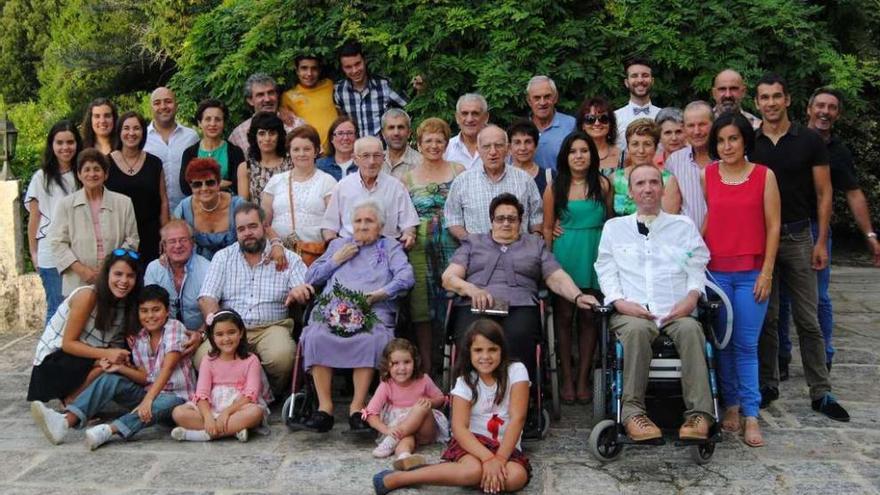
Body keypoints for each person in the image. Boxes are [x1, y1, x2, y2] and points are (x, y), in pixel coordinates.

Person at [751, 74, 849, 421]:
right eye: (764, 97)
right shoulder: (751, 142)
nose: (771, 103)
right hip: (762, 240)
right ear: (757, 103)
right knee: (767, 317)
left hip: (798, 236)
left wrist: (820, 240)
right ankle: (767, 385)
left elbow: (824, 193)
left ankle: (821, 391)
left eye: (776, 96)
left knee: (808, 318)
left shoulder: (809, 140)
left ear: (788, 100)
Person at [595, 163, 714, 442]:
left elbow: (697, 265)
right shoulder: (615, 228)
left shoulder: (683, 226)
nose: (647, 189)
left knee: (692, 330)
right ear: (630, 192)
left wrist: (692, 297)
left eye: (653, 182)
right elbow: (606, 269)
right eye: (640, 184)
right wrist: (619, 302)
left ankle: (700, 414)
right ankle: (632, 413)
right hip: (632, 311)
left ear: (662, 189)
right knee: (637, 331)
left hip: (676, 309)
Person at [442, 193, 598, 387]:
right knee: (473, 338)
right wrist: (471, 289)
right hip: (475, 305)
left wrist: (577, 296)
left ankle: (517, 394)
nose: (506, 223)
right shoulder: (473, 243)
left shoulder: (535, 245)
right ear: (491, 221)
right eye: (500, 218)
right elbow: (449, 278)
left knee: (518, 337)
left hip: (520, 306)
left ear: (520, 221)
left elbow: (556, 276)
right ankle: (470, 392)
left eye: (512, 219)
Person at [777, 87, 880, 377]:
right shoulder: (788, 140)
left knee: (818, 297)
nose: (825, 112)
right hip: (780, 228)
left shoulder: (838, 151)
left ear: (838, 114)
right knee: (780, 299)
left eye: (831, 107)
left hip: (815, 230)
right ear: (808, 109)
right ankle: (781, 357)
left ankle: (823, 356)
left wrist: (870, 235)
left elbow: (853, 192)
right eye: (820, 105)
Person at [295, 200, 415, 433]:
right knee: (316, 335)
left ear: (380, 226)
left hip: (373, 310)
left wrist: (381, 294)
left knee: (372, 339)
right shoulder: (338, 245)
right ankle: (324, 408)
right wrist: (335, 260)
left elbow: (406, 277)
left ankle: (357, 408)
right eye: (358, 221)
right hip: (332, 311)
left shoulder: (390, 247)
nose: (362, 225)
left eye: (369, 221)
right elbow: (310, 278)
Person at [372, 320, 531, 495]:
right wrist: (487, 459)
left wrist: (499, 459)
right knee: (472, 470)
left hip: (505, 446)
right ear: (469, 353)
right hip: (473, 443)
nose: (485, 356)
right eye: (478, 350)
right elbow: (459, 428)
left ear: (502, 350)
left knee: (516, 477)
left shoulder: (516, 371)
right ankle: (401, 478)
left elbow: (518, 418)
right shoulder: (465, 381)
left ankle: (460, 475)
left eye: (492, 349)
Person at [29, 285, 196, 449]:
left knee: (163, 401)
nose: (150, 316)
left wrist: (148, 400)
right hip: (149, 397)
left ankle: (109, 430)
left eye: (156, 310)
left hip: (178, 399)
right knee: (110, 379)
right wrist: (119, 368)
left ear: (167, 311)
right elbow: (145, 377)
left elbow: (167, 368)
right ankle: (65, 421)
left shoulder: (174, 328)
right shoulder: (140, 338)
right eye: (144, 311)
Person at [702, 112, 780, 447]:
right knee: (722, 345)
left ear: (745, 140)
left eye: (733, 138)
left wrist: (767, 272)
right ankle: (730, 405)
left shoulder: (764, 175)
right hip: (716, 273)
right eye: (721, 140)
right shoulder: (708, 174)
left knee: (746, 345)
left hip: (752, 273)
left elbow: (773, 226)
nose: (727, 146)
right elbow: (712, 217)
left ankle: (751, 414)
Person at [196, 202, 312, 395]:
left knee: (282, 357)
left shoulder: (288, 258)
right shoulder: (223, 257)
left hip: (271, 327)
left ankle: (267, 395)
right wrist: (216, 323)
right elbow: (207, 297)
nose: (247, 233)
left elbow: (304, 290)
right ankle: (232, 395)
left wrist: (299, 292)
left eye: (252, 226)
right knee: (202, 358)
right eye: (241, 229)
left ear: (264, 227)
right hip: (230, 327)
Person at [542, 132, 612, 404]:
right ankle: (567, 379)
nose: (579, 156)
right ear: (565, 156)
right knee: (563, 318)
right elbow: (548, 227)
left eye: (584, 150)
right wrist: (548, 267)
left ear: (592, 155)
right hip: (565, 255)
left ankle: (584, 378)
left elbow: (610, 222)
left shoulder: (603, 185)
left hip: (594, 253)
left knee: (589, 318)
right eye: (573, 151)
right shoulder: (554, 187)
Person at [27, 250, 141, 405]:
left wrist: (119, 357)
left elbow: (115, 345)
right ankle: (71, 401)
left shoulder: (126, 304)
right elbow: (68, 344)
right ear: (107, 274)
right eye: (118, 274)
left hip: (86, 359)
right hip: (54, 362)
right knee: (108, 363)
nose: (124, 281)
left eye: (130, 276)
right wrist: (107, 354)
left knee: (115, 365)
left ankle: (77, 400)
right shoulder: (88, 296)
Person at [399, 117, 465, 373]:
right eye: (428, 141)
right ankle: (426, 367)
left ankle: (455, 365)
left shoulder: (459, 171)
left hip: (454, 245)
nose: (434, 145)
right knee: (422, 309)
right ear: (419, 144)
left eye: (439, 140)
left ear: (447, 144)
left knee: (454, 301)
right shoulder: (407, 178)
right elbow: (404, 217)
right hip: (419, 249)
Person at [48, 148, 139, 296]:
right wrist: (82, 270)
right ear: (79, 174)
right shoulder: (66, 205)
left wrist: (110, 266)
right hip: (78, 280)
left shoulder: (124, 203)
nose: (92, 174)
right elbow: (57, 242)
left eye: (97, 169)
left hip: (116, 281)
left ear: (105, 174)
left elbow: (132, 240)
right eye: (87, 170)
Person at [171, 309, 269, 442]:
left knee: (255, 413)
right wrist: (207, 417)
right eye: (219, 334)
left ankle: (201, 435)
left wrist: (227, 413)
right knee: (178, 413)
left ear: (240, 332)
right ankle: (232, 430)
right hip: (212, 407)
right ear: (212, 337)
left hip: (238, 407)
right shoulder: (208, 360)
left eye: (231, 332)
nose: (226, 339)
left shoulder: (251, 360)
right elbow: (202, 394)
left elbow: (250, 395)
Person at [444, 126, 544, 239]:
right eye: (486, 146)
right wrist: (471, 242)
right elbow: (453, 218)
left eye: (498, 145)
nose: (493, 152)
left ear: (507, 149)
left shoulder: (525, 180)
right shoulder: (462, 182)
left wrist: (534, 239)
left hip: (518, 248)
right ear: (478, 150)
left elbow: (537, 216)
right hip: (477, 249)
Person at [363, 339, 449, 470]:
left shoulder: (423, 379)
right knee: (406, 440)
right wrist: (386, 430)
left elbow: (441, 398)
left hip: (425, 430)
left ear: (415, 362)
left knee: (421, 407)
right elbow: (370, 413)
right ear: (387, 365)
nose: (402, 368)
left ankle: (392, 440)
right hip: (400, 432)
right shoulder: (386, 385)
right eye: (395, 363)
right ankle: (404, 457)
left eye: (407, 362)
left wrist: (430, 402)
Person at [26, 121, 82, 322]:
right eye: (59, 142)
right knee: (56, 310)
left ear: (77, 143)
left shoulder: (84, 173)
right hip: (50, 253)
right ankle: (49, 345)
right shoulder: (41, 178)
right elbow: (34, 218)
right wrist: (34, 253)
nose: (65, 147)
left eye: (70, 142)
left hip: (80, 251)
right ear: (51, 145)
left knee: (79, 309)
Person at [321, 136, 419, 246]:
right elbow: (329, 227)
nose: (372, 162)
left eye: (377, 156)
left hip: (387, 249)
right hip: (350, 248)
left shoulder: (396, 187)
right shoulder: (342, 187)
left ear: (383, 158)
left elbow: (409, 225)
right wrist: (336, 246)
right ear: (355, 159)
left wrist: (408, 236)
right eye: (366, 156)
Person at [262, 125, 336, 265]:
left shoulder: (328, 181)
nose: (301, 154)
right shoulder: (276, 181)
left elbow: (332, 223)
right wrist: (274, 243)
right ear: (289, 152)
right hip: (279, 253)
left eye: (307, 149)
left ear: (316, 151)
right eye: (296, 149)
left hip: (314, 254)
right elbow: (264, 223)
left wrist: (331, 250)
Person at [107, 111, 169, 265]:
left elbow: (163, 201)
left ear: (143, 132)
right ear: (119, 131)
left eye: (136, 128)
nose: (131, 133)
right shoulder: (106, 163)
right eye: (126, 128)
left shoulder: (154, 163)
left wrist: (166, 234)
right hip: (117, 235)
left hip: (150, 235)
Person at [145, 220, 211, 344]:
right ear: (164, 246)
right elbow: (149, 309)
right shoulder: (154, 269)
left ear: (192, 243)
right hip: (163, 336)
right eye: (172, 241)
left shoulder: (207, 269)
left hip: (203, 336)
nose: (178, 245)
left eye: (183, 240)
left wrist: (201, 334)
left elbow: (215, 311)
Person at [333, 41, 411, 138]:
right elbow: (340, 122)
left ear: (364, 61)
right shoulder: (339, 90)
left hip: (382, 146)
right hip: (356, 146)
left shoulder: (384, 85)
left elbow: (410, 107)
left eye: (357, 64)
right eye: (348, 67)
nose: (355, 70)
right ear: (342, 68)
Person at [175, 158, 246, 260]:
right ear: (191, 186)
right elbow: (172, 237)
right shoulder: (184, 208)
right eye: (197, 184)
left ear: (218, 183)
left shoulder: (238, 206)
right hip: (199, 264)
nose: (204, 188)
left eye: (210, 183)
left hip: (235, 261)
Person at [143, 87, 200, 211]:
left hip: (188, 210)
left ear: (176, 105)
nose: (163, 106)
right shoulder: (142, 138)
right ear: (151, 108)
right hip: (152, 211)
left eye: (168, 101)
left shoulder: (191, 137)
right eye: (157, 103)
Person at [611, 118, 678, 216]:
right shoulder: (615, 179)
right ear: (628, 147)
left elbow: (670, 219)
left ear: (656, 147)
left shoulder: (668, 181)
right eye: (635, 144)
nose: (641, 150)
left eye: (647, 144)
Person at [664, 101, 714, 229]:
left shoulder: (728, 159)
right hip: (686, 238)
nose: (697, 131)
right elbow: (670, 210)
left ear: (713, 125)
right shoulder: (674, 161)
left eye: (702, 124)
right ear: (684, 128)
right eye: (691, 125)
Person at [179, 99, 245, 196]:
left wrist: (200, 183)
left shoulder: (235, 152)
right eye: (208, 119)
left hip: (229, 203)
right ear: (199, 123)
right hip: (198, 204)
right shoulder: (189, 153)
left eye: (218, 119)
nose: (213, 124)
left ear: (224, 123)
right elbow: (185, 187)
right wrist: (221, 184)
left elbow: (239, 185)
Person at [229, 73, 304, 156]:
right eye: (260, 95)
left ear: (277, 95)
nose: (267, 99)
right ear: (250, 100)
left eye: (271, 93)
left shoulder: (297, 125)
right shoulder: (238, 135)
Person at [281, 54, 339, 152]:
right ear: (297, 71)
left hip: (337, 150)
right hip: (311, 153)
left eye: (314, 68)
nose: (309, 73)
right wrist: (280, 109)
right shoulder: (288, 96)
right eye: (304, 68)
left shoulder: (328, 84)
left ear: (319, 70)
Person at [236, 111, 293, 206]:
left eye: (272, 133)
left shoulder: (291, 163)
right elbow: (243, 206)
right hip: (257, 215)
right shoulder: (245, 168)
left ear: (279, 136)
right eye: (262, 134)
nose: (267, 139)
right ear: (255, 137)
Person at [526, 75, 576, 170]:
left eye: (547, 96)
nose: (542, 102)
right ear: (529, 101)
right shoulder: (521, 129)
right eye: (537, 98)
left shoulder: (571, 125)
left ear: (555, 98)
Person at [614, 57, 661, 151]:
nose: (640, 80)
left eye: (645, 75)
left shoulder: (663, 116)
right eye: (634, 76)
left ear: (652, 81)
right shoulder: (614, 118)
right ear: (626, 82)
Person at [576, 96, 622, 174]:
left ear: (610, 124)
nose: (597, 123)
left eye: (603, 118)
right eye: (590, 119)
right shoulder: (575, 155)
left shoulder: (623, 156)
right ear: (582, 125)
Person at [507, 119, 553, 196]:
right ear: (509, 147)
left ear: (536, 146)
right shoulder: (501, 177)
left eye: (528, 142)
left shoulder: (549, 177)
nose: (523, 148)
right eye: (517, 142)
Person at [444, 93, 489, 170]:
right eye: (464, 114)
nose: (469, 119)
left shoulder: (498, 147)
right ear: (457, 118)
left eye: (475, 114)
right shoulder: (447, 148)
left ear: (486, 117)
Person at [381, 108, 423, 179]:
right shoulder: (375, 161)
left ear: (409, 132)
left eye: (401, 127)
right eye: (391, 128)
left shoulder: (421, 163)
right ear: (383, 133)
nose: (396, 133)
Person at [316, 116, 358, 181]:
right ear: (331, 139)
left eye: (350, 133)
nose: (345, 138)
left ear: (356, 137)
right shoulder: (320, 166)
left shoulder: (364, 164)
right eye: (340, 133)